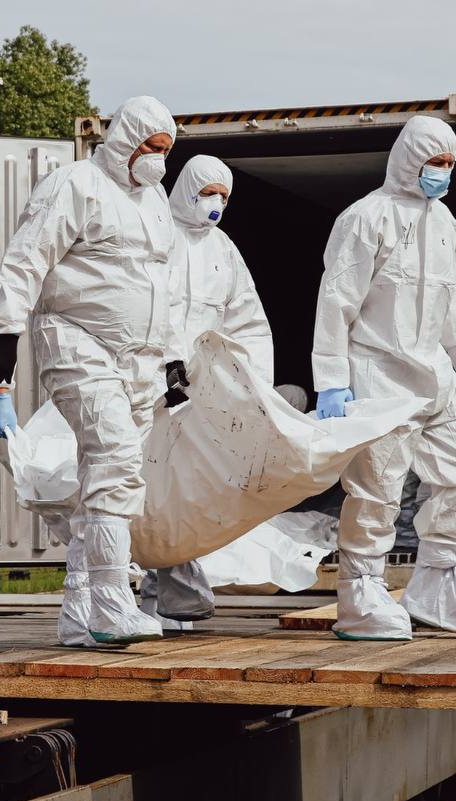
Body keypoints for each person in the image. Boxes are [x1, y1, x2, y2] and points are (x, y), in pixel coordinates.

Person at [0, 96, 185, 644]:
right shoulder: (75, 184)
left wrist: (173, 356)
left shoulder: (155, 200)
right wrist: (6, 335)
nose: (157, 159)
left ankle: (78, 612)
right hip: (76, 340)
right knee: (114, 461)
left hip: (138, 359)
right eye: (150, 146)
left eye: (166, 150)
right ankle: (113, 604)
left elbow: (163, 284)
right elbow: (27, 259)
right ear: (125, 139)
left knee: (104, 479)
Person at [313, 115, 456, 639]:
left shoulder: (444, 223)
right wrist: (331, 377)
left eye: (450, 164)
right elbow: (336, 301)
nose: (443, 172)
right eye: (435, 162)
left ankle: (438, 579)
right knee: (378, 486)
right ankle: (361, 592)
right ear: (410, 159)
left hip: (436, 372)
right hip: (379, 371)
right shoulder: (365, 218)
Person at [138, 154, 274, 624]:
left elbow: (246, 316)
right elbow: (144, 305)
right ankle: (159, 582)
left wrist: (255, 379)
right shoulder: (158, 237)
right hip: (153, 383)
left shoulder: (223, 249)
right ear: (186, 191)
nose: (215, 203)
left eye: (223, 196)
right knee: (148, 481)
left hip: (204, 390)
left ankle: (165, 588)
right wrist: (166, 362)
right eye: (207, 192)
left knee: (191, 484)